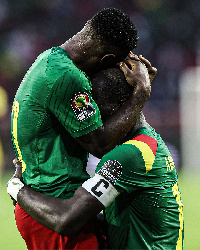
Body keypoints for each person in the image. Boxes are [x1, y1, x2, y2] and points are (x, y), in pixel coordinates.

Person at [10, 7, 154, 249]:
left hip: (46, 206)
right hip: (57, 210)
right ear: (107, 59)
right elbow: (102, 145)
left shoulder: (50, 60)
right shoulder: (68, 78)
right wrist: (140, 94)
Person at [8, 65, 184, 249]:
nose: (91, 119)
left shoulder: (130, 155)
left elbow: (65, 220)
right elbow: (113, 221)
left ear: (122, 104)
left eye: (97, 108)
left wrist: (17, 189)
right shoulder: (147, 142)